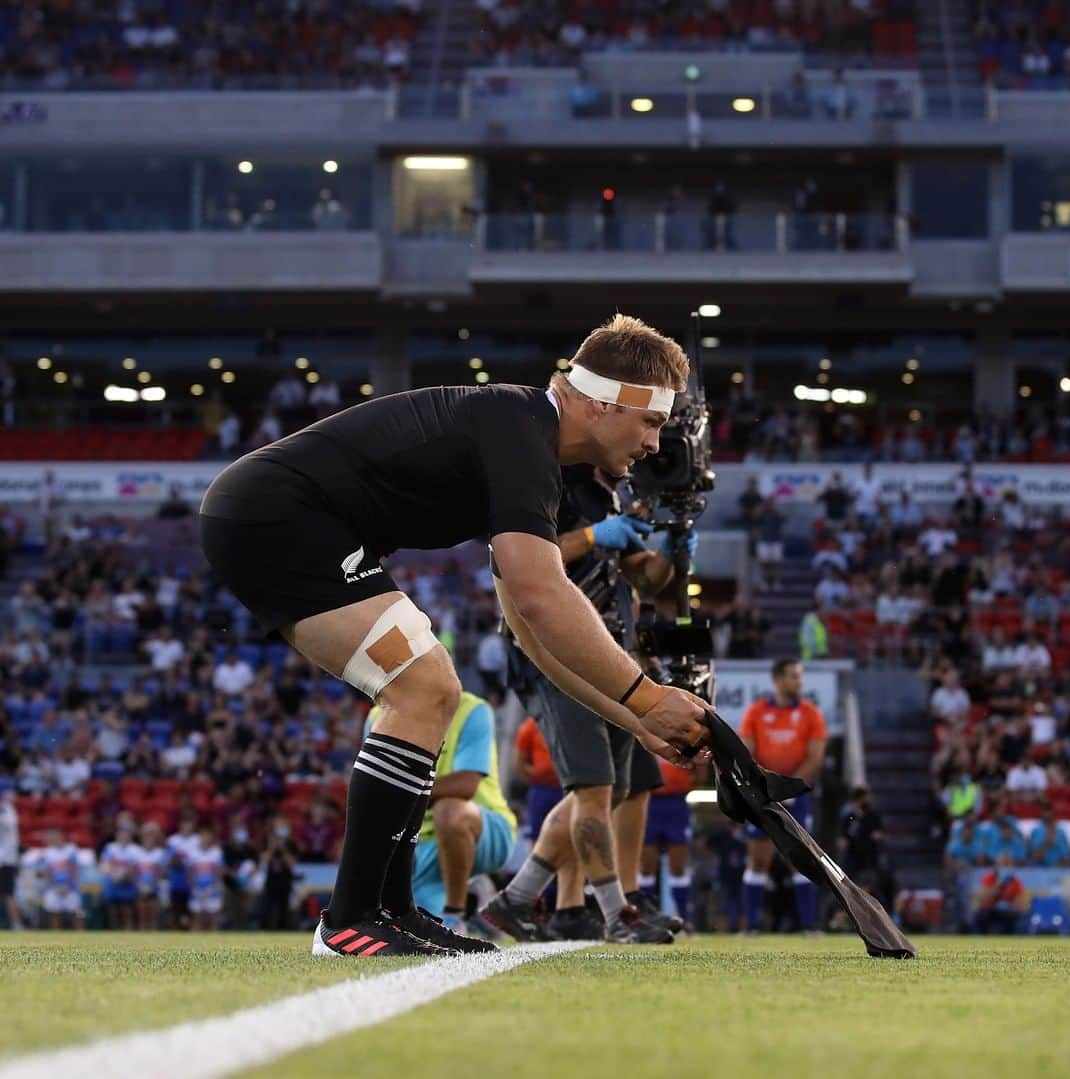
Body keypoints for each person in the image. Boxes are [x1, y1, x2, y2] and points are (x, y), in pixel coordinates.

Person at [200, 314, 708, 958]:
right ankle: (353, 917)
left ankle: (389, 910)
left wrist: (632, 719)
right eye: (652, 421)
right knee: (423, 684)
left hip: (275, 515)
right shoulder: (523, 432)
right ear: (606, 402)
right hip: (277, 515)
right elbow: (540, 597)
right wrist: (645, 697)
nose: (657, 444)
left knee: (429, 689)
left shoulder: (530, 441)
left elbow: (527, 628)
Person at [483, 462, 691, 945]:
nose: (649, 448)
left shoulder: (610, 496)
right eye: (644, 426)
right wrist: (597, 535)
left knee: (609, 790)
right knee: (595, 787)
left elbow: (644, 579)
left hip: (610, 654)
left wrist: (672, 553)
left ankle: (515, 900)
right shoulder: (551, 483)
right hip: (555, 652)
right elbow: (518, 558)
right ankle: (617, 913)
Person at [366, 690, 513, 934]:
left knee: (450, 812)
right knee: (416, 924)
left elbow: (466, 785)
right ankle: (475, 899)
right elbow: (375, 788)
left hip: (485, 828)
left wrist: (403, 786)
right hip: (422, 842)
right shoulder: (376, 718)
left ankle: (456, 914)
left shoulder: (472, 710)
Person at [739, 659, 827, 933]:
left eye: (800, 677)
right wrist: (767, 788)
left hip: (797, 797)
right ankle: (751, 925)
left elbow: (815, 757)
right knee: (758, 859)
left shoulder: (811, 714)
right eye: (793, 676)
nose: (798, 682)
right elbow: (747, 754)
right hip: (763, 796)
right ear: (777, 679)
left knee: (800, 860)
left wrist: (788, 788)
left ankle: (809, 926)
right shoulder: (755, 712)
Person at [640, 755, 697, 923]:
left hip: (676, 802)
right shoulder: (644, 732)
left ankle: (684, 918)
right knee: (646, 866)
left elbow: (699, 773)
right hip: (649, 801)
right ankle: (646, 917)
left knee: (678, 866)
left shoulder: (679, 732)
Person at [513, 715, 562, 842]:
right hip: (541, 790)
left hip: (569, 790)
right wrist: (538, 778)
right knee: (536, 835)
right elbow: (519, 764)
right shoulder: (531, 726)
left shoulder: (573, 725)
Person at [37, 829, 84, 929]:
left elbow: (75, 869)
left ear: (59, 837)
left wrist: (68, 884)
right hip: (53, 887)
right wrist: (55, 885)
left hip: (70, 887)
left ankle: (81, 934)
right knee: (54, 913)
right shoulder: (47, 853)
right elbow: (45, 872)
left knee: (76, 913)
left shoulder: (71, 849)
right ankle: (56, 935)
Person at [100, 820, 141, 930]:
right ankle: (114, 936)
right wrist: (114, 874)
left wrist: (125, 874)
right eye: (121, 833)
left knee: (127, 912)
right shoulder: (110, 847)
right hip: (113, 883)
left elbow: (137, 867)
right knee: (113, 913)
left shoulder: (135, 850)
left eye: (126, 833)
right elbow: (104, 864)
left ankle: (128, 935)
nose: (123, 836)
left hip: (128, 883)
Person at [188, 826, 224, 931]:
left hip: (212, 890)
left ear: (211, 837)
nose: (205, 838)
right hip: (197, 889)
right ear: (199, 837)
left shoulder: (216, 852)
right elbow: (190, 872)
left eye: (207, 835)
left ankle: (215, 943)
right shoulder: (193, 853)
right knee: (196, 919)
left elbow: (218, 872)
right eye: (202, 835)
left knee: (213, 919)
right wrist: (194, 887)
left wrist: (213, 887)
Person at [135, 822, 167, 931]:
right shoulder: (137, 852)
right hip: (141, 887)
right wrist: (139, 884)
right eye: (146, 837)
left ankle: (153, 934)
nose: (148, 840)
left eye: (151, 837)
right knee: (142, 915)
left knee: (153, 915)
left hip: (154, 888)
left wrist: (153, 885)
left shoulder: (159, 853)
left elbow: (161, 872)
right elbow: (134, 871)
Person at [0, 785, 23, 929]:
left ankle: (17, 924)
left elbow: (8, 822)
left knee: (9, 893)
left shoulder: (7, 809)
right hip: (5, 858)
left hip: (6, 859)